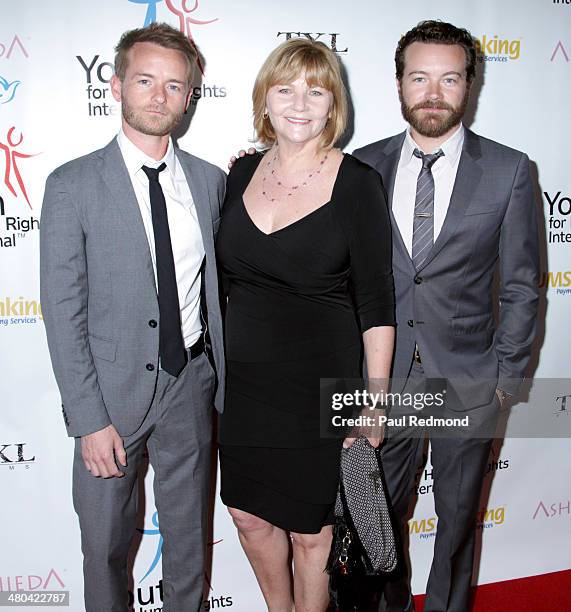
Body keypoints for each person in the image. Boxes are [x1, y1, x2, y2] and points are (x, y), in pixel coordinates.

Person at [352, 20, 540, 612]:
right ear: (400, 84)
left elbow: (522, 286)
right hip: (385, 382)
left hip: (469, 378)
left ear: (470, 86)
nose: (433, 92)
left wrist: (505, 383)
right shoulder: (361, 167)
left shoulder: (510, 171)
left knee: (457, 524)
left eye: (449, 78)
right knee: (376, 522)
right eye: (420, 77)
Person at [40, 23, 225, 612]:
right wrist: (88, 418)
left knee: (189, 540)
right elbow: (62, 310)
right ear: (117, 84)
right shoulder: (71, 185)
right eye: (145, 81)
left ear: (189, 97)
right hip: (108, 400)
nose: (158, 96)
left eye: (174, 86)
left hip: (191, 382)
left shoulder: (210, 183)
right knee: (104, 546)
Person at [216, 38, 395, 611]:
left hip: (321, 388)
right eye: (286, 88)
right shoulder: (239, 172)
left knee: (310, 532)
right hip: (245, 386)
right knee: (247, 515)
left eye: (315, 90)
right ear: (265, 99)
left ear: (332, 104)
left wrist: (375, 400)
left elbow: (376, 301)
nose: (300, 103)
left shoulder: (358, 183)